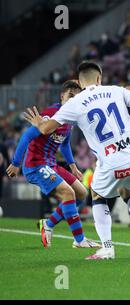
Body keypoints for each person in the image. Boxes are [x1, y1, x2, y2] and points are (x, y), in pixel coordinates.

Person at [23, 61, 130, 260]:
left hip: (112, 161)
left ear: (79, 82)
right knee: (128, 191)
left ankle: (107, 248)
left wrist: (38, 122)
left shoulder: (75, 103)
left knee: (97, 195)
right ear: (99, 78)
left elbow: (46, 130)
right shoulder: (115, 90)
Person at [6, 80, 100, 249]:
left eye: (77, 97)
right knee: (68, 192)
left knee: (81, 193)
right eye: (70, 95)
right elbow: (27, 136)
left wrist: (72, 166)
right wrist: (15, 163)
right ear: (62, 96)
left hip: (51, 164)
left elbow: (63, 144)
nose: (73, 100)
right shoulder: (51, 114)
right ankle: (79, 240)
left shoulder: (70, 117)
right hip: (36, 165)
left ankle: (48, 224)